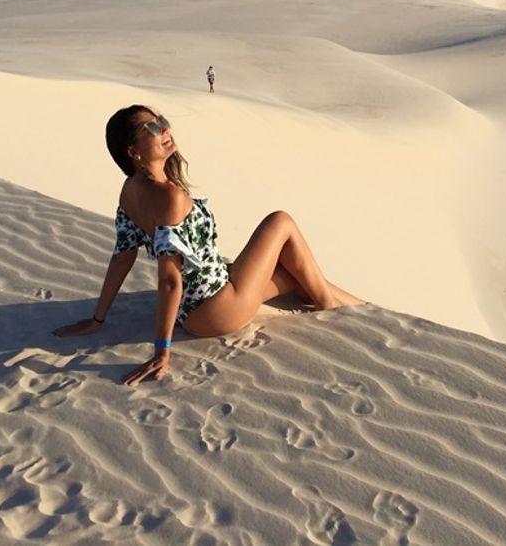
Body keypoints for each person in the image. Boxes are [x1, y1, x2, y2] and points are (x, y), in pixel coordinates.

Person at [53, 105, 362, 384]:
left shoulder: (130, 190)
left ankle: (361, 309)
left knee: (295, 272)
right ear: (133, 152)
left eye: (162, 121)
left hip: (197, 307)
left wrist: (98, 319)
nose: (165, 130)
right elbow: (169, 280)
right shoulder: (170, 198)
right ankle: (335, 308)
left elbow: (122, 257)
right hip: (218, 306)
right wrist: (162, 352)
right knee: (280, 222)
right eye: (152, 128)